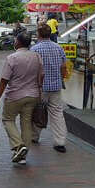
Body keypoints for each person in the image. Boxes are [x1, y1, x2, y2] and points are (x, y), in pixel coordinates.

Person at [0, 33, 44, 165]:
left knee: (8, 119)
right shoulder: (36, 56)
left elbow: (4, 80)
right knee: (26, 123)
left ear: (19, 43)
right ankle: (22, 154)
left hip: (15, 95)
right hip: (32, 95)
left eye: (16, 40)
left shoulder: (12, 58)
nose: (14, 42)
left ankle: (18, 145)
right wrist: (39, 89)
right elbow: (41, 75)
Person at [30, 24, 68, 153]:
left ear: (39, 34)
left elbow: (32, 69)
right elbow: (64, 67)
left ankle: (34, 136)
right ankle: (60, 141)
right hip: (56, 86)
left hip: (41, 87)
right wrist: (61, 78)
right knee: (57, 114)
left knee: (38, 111)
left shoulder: (35, 49)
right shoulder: (58, 48)